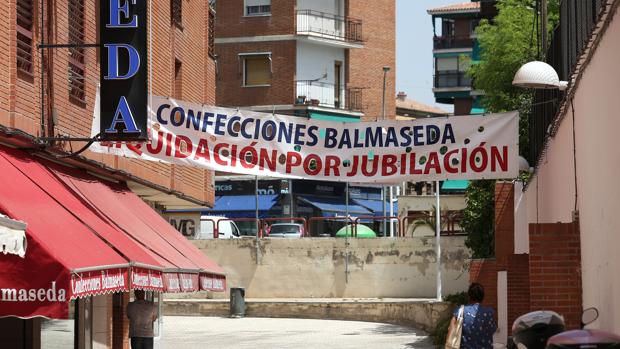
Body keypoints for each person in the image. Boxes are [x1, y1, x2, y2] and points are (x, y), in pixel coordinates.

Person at [446, 283, 497, 349]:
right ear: (482, 297)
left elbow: (451, 331)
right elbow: (493, 329)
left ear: (469, 296)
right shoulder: (489, 313)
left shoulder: (460, 311)